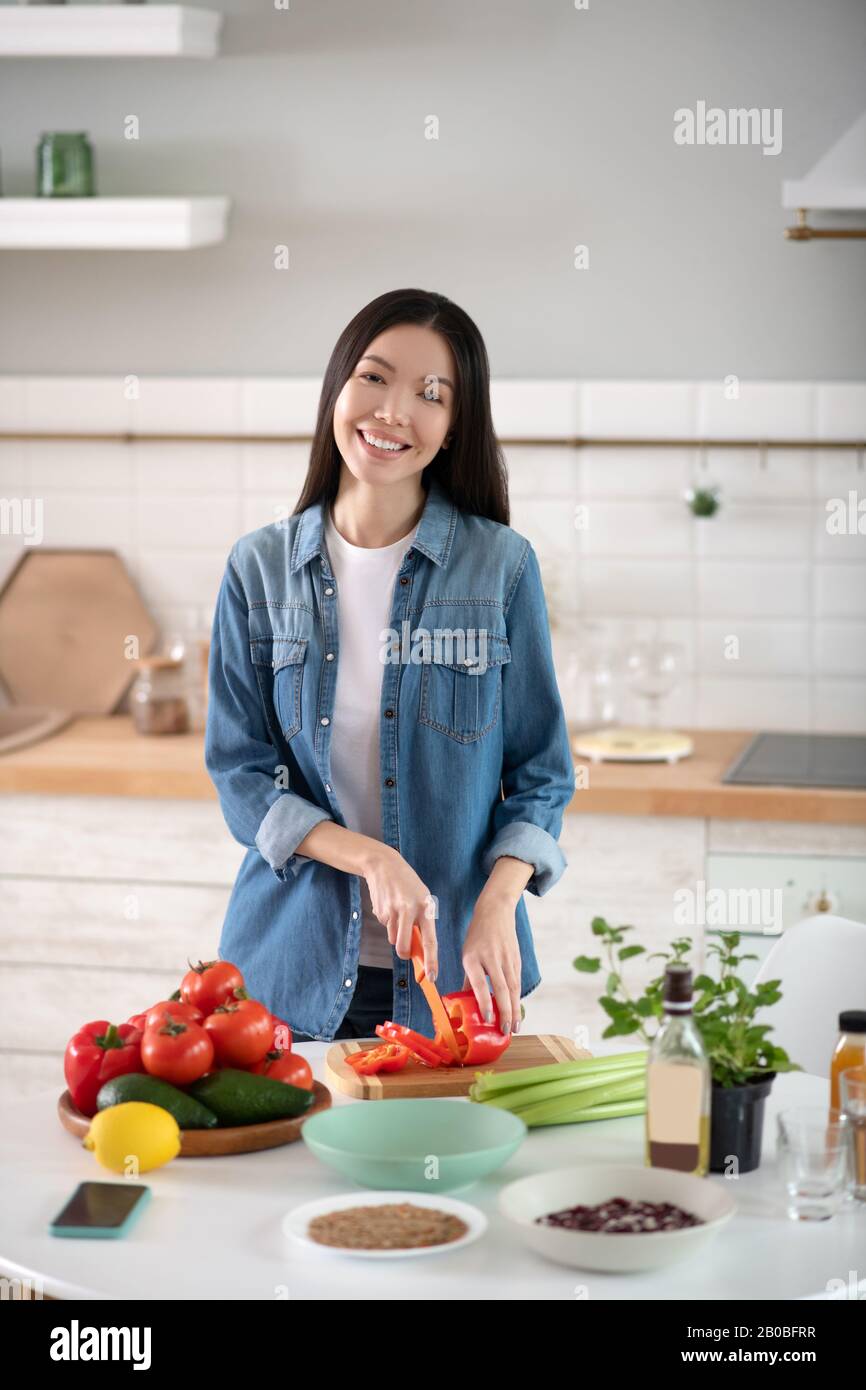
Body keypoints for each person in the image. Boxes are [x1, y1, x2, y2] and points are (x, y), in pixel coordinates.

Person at [205, 287, 575, 1044]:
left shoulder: (500, 567)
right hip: (286, 977)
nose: (393, 411)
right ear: (338, 388)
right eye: (374, 378)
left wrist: (498, 903)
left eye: (430, 393)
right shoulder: (258, 570)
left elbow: (541, 774)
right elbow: (240, 773)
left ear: (453, 427)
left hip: (456, 984)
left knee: (447, 1164)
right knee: (281, 1168)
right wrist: (371, 859)